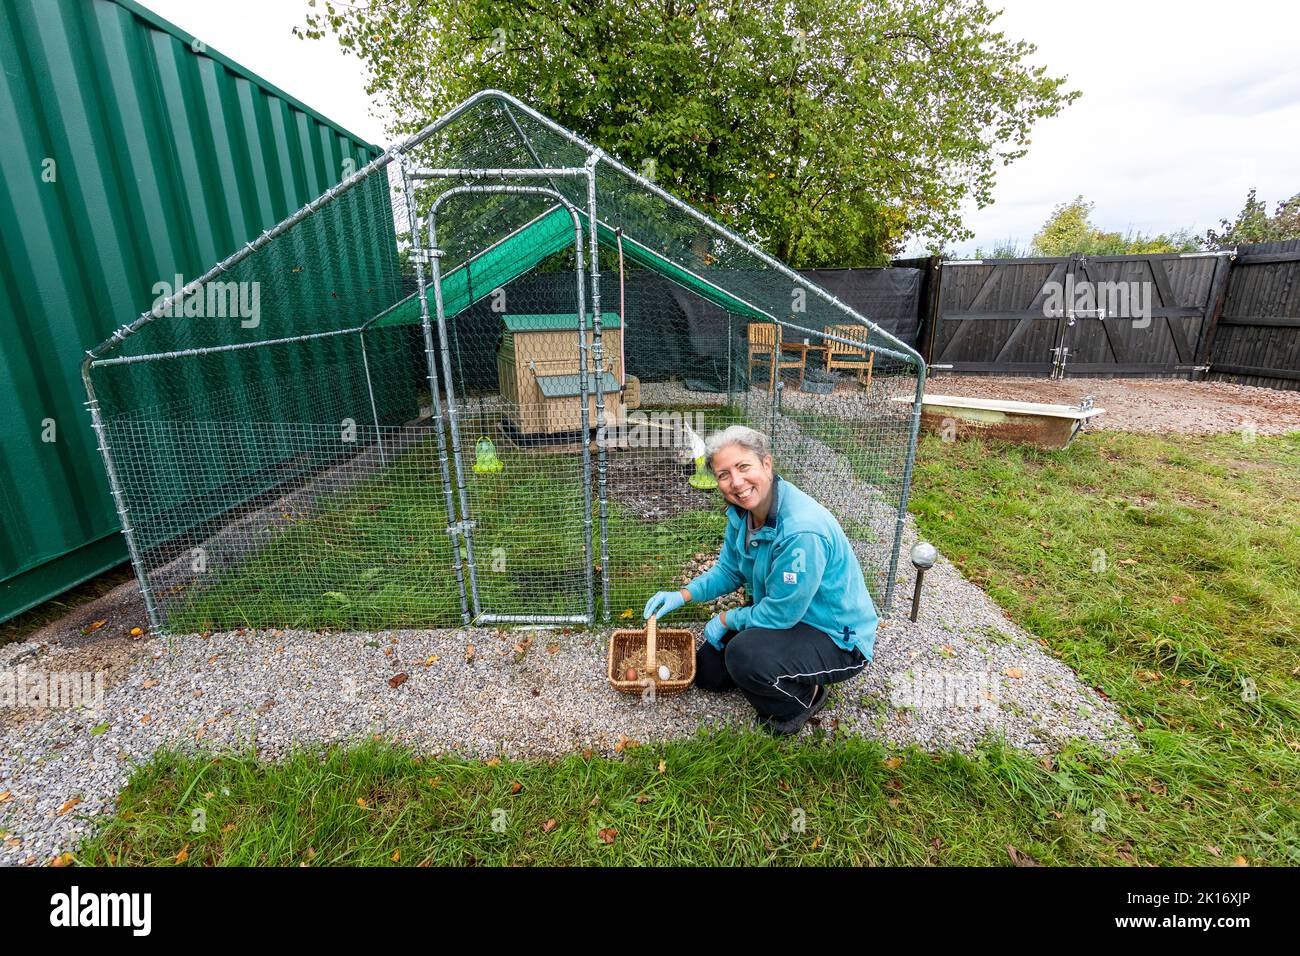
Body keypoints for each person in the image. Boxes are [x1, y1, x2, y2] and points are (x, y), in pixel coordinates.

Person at [643, 425, 877, 736]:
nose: (736, 482)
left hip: (835, 636)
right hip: (789, 614)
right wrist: (684, 594)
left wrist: (727, 619)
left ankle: (804, 699)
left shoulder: (801, 531)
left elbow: (781, 614)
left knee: (745, 656)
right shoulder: (743, 513)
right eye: (724, 474)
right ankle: (772, 669)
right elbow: (729, 571)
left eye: (743, 467)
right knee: (709, 672)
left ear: (766, 464)